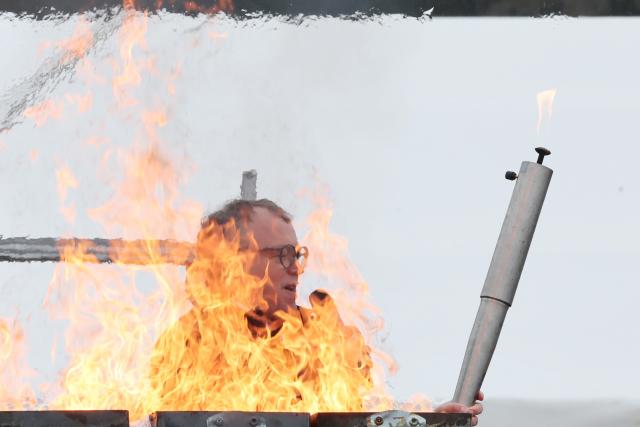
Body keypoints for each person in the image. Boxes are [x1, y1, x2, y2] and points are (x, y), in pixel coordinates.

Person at [150, 199, 483, 424]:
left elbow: (361, 421)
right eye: (280, 254)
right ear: (233, 262)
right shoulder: (186, 345)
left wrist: (434, 421)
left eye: (296, 255)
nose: (294, 268)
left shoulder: (330, 340)